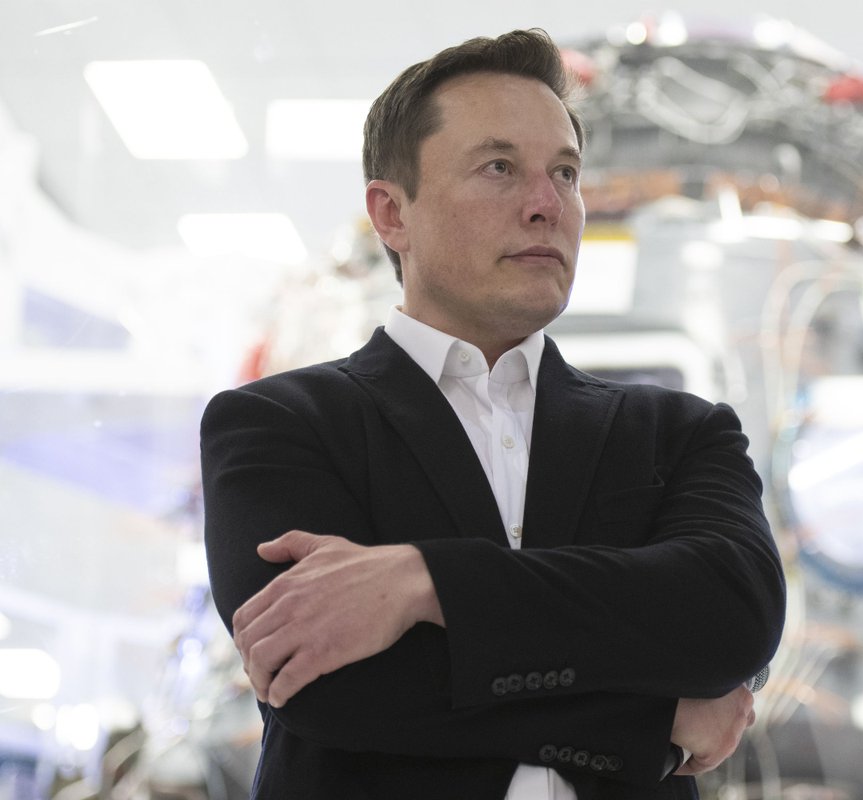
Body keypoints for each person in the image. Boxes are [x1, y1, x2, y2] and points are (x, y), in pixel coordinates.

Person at [200, 28, 786, 800]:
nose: (547, 205)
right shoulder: (278, 424)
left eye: (565, 173)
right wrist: (650, 724)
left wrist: (424, 583)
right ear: (392, 213)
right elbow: (328, 684)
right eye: (499, 168)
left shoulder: (679, 433)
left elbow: (732, 618)